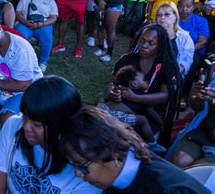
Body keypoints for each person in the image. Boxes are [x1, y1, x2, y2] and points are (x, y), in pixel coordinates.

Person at [0, 76, 100, 193]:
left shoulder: (85, 166)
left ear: (62, 124)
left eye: (37, 124)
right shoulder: (14, 126)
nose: (25, 127)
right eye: (25, 115)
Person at [60, 106, 210, 193]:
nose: (77, 173)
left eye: (82, 166)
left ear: (112, 153)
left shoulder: (167, 191)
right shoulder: (128, 160)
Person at [112, 24, 179, 146]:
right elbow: (113, 83)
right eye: (142, 40)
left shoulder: (167, 65)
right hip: (122, 108)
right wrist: (113, 92)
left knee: (124, 139)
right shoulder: (127, 60)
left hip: (150, 117)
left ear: (160, 46)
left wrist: (136, 98)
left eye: (151, 43)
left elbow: (166, 95)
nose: (144, 46)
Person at [0, 15, 43, 124]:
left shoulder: (20, 48)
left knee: (8, 120)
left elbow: (24, 85)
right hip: (4, 92)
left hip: (28, 92)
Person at [97, 65, 166, 153]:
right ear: (134, 84)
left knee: (101, 99)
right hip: (117, 117)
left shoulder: (119, 89)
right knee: (143, 119)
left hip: (103, 110)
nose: (147, 81)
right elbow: (150, 110)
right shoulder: (141, 95)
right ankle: (152, 143)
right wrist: (160, 122)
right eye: (144, 80)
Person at [15, 0, 58, 72]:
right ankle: (21, 59)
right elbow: (18, 13)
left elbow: (54, 18)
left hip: (43, 25)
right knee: (19, 37)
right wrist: (25, 22)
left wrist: (42, 24)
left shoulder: (50, 1)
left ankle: (43, 61)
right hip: (25, 24)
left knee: (47, 37)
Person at [155, 2, 194, 77]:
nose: (162, 18)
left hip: (172, 76)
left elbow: (186, 62)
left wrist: (172, 75)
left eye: (167, 14)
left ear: (175, 17)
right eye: (159, 15)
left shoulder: (184, 37)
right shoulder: (150, 33)